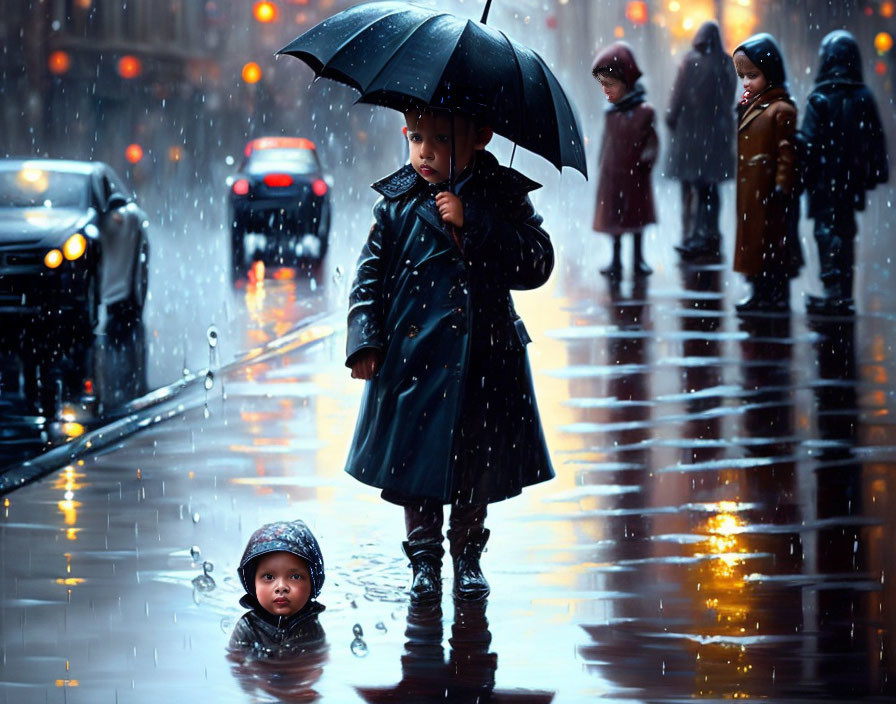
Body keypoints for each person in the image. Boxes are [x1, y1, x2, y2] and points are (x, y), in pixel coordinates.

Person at [345, 105, 555, 603]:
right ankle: (423, 561)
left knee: (473, 465)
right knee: (417, 469)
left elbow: (537, 261)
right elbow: (369, 277)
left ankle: (467, 556)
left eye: (440, 139)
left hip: (483, 359)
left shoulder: (501, 195)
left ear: (480, 136)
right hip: (413, 361)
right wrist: (365, 340)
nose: (425, 152)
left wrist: (476, 222)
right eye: (416, 138)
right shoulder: (396, 204)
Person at [799, 30, 890, 314]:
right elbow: (876, 140)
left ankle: (833, 292)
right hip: (850, 182)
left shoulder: (820, 98)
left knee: (826, 233)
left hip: (824, 183)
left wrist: (802, 175)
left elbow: (809, 144)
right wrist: (875, 172)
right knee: (846, 231)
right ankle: (843, 293)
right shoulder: (864, 96)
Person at [732, 33, 803, 313]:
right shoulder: (752, 108)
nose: (747, 82)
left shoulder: (781, 110)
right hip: (752, 191)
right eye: (743, 77)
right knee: (753, 243)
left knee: (774, 245)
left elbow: (787, 151)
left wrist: (782, 184)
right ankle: (759, 290)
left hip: (770, 193)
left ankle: (776, 293)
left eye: (753, 75)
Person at [665, 21, 737, 260]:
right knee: (711, 188)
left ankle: (692, 236)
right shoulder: (726, 63)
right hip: (717, 138)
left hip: (691, 137)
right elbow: (729, 99)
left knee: (692, 188)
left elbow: (677, 97)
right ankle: (711, 235)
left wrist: (672, 117)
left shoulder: (689, 63)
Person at [591, 41, 658, 279]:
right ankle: (616, 260)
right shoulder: (612, 113)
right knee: (616, 220)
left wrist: (646, 160)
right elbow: (607, 141)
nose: (606, 90)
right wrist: (602, 163)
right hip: (613, 174)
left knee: (635, 218)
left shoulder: (644, 112)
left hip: (635, 174)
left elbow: (652, 142)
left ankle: (638, 259)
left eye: (610, 84)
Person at [228, 520, 326, 658]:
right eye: (268, 577)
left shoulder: (312, 627)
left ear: (313, 582)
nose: (281, 587)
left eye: (295, 577)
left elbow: (318, 663)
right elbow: (236, 665)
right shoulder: (248, 627)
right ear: (252, 583)